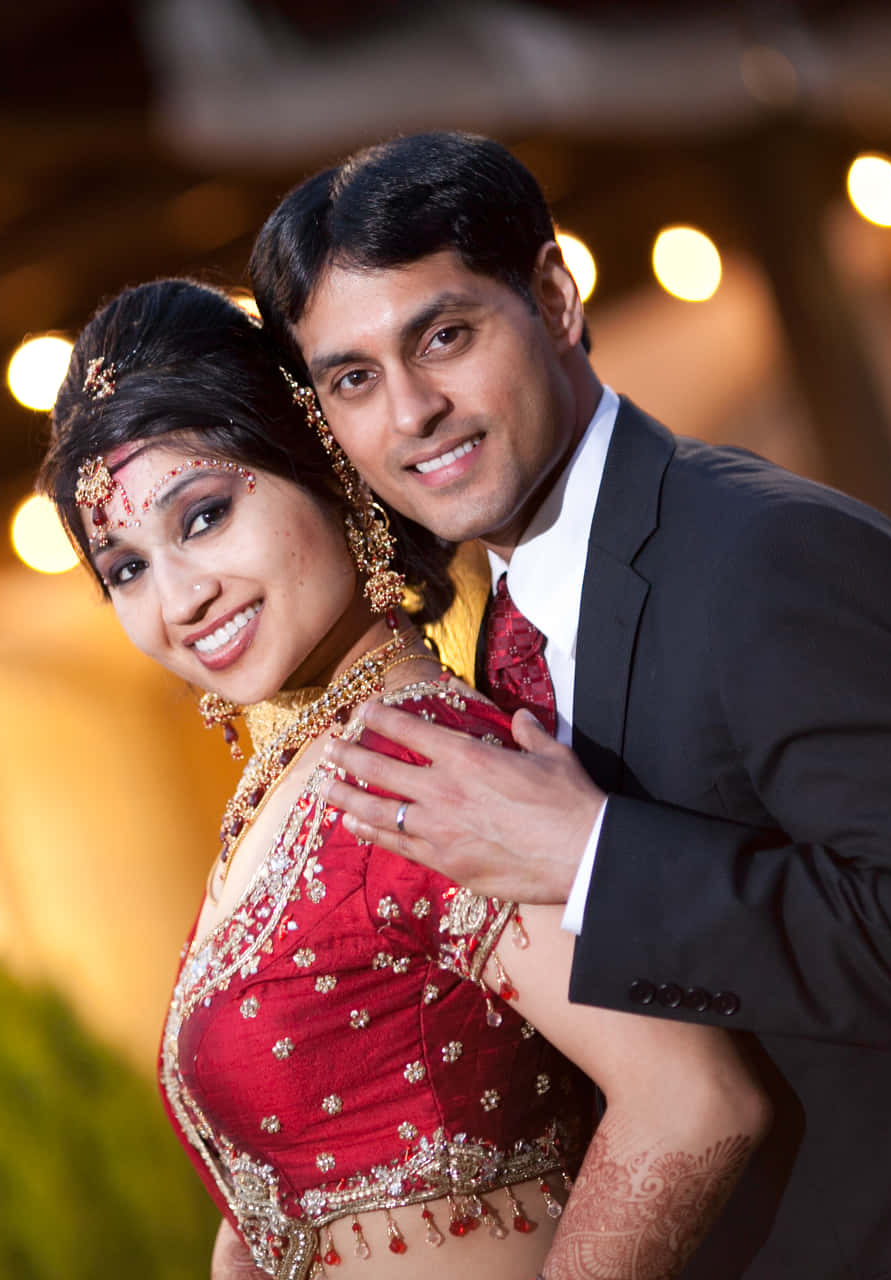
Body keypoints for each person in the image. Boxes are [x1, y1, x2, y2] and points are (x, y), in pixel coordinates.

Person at [245, 130, 891, 1279]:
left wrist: (595, 850)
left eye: (444, 335)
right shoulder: (499, 637)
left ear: (554, 296)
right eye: (353, 378)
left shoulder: (771, 552)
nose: (411, 411)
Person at [39, 278, 771, 1280]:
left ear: (326, 463)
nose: (181, 595)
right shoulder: (293, 785)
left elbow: (692, 1100)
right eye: (124, 567)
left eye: (203, 516)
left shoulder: (426, 766)